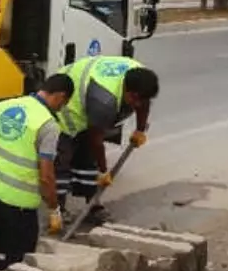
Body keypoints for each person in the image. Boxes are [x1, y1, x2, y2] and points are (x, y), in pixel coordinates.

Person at [0, 74, 73, 271]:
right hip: (18, 201)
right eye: (64, 103)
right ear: (60, 96)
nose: (62, 108)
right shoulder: (48, 125)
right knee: (22, 251)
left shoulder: (6, 105)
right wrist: (54, 210)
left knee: (0, 244)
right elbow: (46, 176)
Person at [54, 55, 160, 224]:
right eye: (135, 100)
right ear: (127, 91)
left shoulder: (139, 76)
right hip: (64, 107)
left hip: (86, 96)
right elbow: (96, 141)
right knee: (62, 162)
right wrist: (104, 172)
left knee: (87, 162)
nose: (138, 105)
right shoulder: (104, 101)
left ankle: (93, 206)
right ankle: (57, 211)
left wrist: (140, 130)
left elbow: (144, 102)